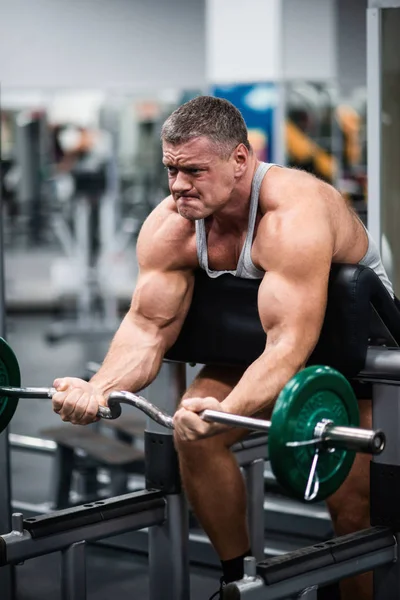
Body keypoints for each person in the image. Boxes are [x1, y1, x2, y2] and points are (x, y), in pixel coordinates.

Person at [51, 96, 394, 600]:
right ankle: (239, 581)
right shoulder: (171, 224)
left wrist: (227, 411)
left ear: (240, 160)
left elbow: (290, 343)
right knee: (193, 433)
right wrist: (98, 386)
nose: (178, 186)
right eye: (171, 169)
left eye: (193, 170)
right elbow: (148, 326)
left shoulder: (292, 212)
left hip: (355, 354)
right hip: (259, 345)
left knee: (350, 508)